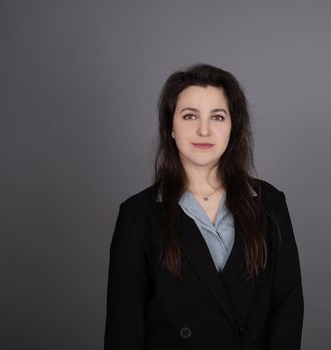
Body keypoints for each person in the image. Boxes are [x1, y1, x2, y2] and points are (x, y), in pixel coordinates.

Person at [104, 64, 304, 350]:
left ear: (232, 127)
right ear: (170, 127)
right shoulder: (138, 215)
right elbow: (124, 327)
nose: (204, 130)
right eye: (190, 116)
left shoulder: (270, 203)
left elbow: (287, 305)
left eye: (218, 117)